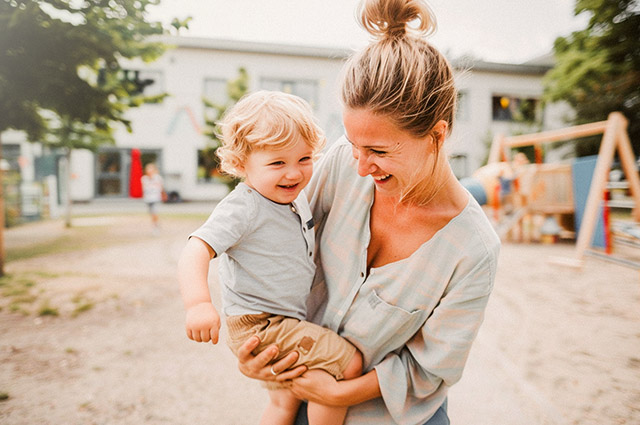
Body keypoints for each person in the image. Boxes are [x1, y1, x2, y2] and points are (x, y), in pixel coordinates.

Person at [234, 1, 501, 424]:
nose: (360, 166)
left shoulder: (474, 249)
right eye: (354, 146)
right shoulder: (342, 163)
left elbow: (431, 367)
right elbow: (269, 238)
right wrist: (255, 352)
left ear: (437, 135)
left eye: (378, 151)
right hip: (301, 392)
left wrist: (339, 391)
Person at [177, 90, 363, 425]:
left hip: (278, 321)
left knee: (283, 404)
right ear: (239, 164)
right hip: (262, 323)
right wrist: (198, 304)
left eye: (304, 159)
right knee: (347, 364)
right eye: (277, 163)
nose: (293, 173)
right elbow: (195, 249)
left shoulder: (292, 197)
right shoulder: (243, 208)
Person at [141, 162, 164, 232]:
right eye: (148, 169)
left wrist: (163, 195)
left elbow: (161, 188)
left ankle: (155, 227)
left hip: (155, 198)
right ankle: (156, 224)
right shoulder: (144, 179)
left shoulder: (157, 178)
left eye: (150, 169)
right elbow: (143, 189)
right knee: (151, 213)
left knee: (154, 212)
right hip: (148, 199)